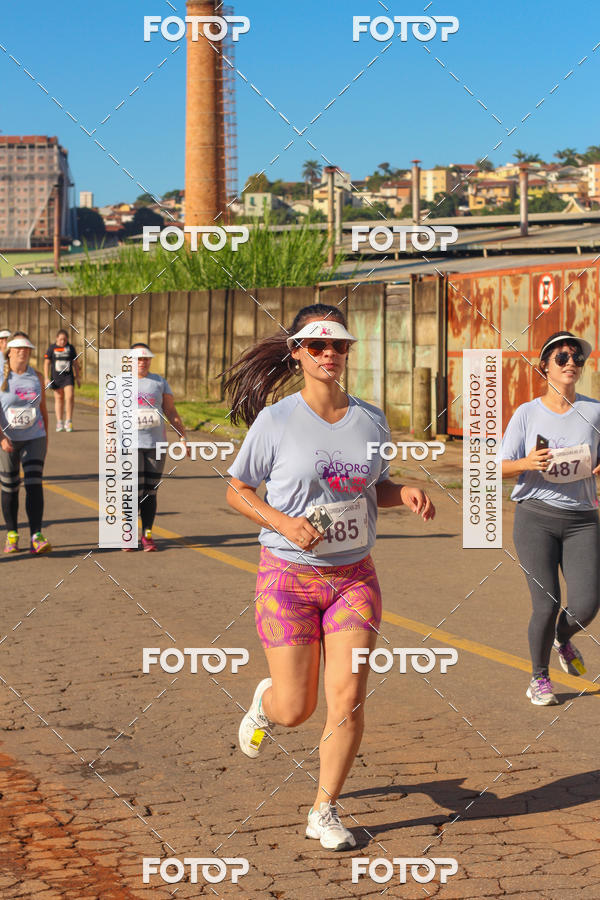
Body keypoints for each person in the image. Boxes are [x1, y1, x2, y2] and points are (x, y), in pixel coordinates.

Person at [225, 304, 435, 850]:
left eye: (337, 345)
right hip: (286, 578)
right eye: (316, 347)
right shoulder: (275, 421)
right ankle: (266, 702)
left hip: (353, 579)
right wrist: (283, 523)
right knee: (297, 709)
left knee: (347, 701)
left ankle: (325, 809)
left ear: (347, 352)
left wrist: (403, 491)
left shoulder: (371, 418)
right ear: (297, 353)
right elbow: (237, 490)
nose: (327, 355)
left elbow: (374, 487)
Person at [501, 331, 600, 706]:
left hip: (583, 520)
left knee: (588, 604)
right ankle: (539, 678)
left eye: (577, 357)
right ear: (545, 366)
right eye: (562, 357)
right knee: (546, 602)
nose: (571, 362)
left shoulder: (594, 411)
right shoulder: (528, 413)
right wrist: (527, 463)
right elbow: (494, 467)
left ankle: (562, 636)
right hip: (536, 518)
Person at [130, 343, 188, 551]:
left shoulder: (159, 382)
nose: (142, 362)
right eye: (138, 359)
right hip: (129, 445)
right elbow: (109, 415)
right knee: (133, 490)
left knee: (150, 491)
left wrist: (182, 436)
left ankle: (147, 533)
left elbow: (170, 410)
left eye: (146, 359)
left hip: (156, 444)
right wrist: (110, 440)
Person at [0, 332, 51, 554]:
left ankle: (36, 536)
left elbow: (42, 410)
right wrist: (1, 437)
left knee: (33, 484)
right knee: (10, 487)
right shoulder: (2, 376)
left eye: (27, 348)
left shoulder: (37, 377)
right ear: (9, 351)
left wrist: (46, 438)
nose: (23, 351)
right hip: (8, 439)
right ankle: (12, 534)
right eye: (18, 348)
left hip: (34, 437)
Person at [44, 329, 80, 433]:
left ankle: (68, 421)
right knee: (59, 398)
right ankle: (59, 421)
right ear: (57, 339)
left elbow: (75, 364)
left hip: (68, 377)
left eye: (64, 340)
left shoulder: (70, 348)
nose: (63, 342)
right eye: (61, 339)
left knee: (69, 396)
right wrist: (46, 377)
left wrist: (78, 377)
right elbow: (46, 363)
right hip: (56, 377)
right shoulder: (52, 348)